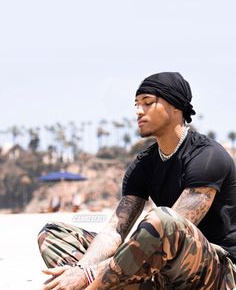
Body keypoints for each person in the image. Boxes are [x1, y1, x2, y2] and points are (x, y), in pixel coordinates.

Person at [38, 72, 236, 290]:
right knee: (53, 235)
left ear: (176, 107)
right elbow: (115, 231)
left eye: (148, 103)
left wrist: (91, 274)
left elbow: (175, 227)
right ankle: (90, 282)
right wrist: (82, 267)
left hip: (215, 273)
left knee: (163, 219)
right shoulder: (144, 164)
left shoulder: (207, 156)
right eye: (136, 104)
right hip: (161, 271)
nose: (138, 111)